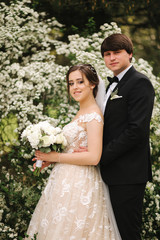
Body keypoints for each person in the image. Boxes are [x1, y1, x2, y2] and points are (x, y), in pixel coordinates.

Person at [25, 64, 122, 240]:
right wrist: (51, 160)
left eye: (80, 82)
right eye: (71, 83)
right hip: (64, 180)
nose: (75, 87)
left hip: (81, 183)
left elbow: (94, 157)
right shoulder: (80, 112)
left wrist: (57, 157)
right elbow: (74, 149)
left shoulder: (93, 116)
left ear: (92, 84)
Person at [100, 33, 155, 240]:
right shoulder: (108, 87)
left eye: (117, 52)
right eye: (107, 54)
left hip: (128, 174)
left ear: (130, 54)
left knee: (128, 233)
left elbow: (136, 131)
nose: (112, 58)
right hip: (110, 173)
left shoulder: (140, 83)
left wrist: (101, 155)